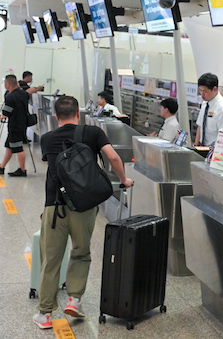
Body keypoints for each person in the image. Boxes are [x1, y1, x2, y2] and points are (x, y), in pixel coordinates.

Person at [34, 95, 134, 329]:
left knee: (51, 259)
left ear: (56, 116)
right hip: (85, 206)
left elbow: (52, 169)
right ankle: (74, 300)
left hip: (55, 206)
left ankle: (45, 314)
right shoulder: (92, 133)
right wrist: (123, 180)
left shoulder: (47, 139)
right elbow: (113, 157)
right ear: (78, 115)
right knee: (81, 252)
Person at [0, 74, 29, 177]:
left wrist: (1, 116)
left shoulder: (10, 96)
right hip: (22, 124)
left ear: (7, 84)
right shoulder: (24, 94)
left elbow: (5, 114)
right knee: (9, 146)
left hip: (14, 126)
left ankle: (22, 170)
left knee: (18, 148)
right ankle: (2, 167)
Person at [194, 73, 223, 146]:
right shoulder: (205, 103)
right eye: (200, 90)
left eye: (205, 91)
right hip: (202, 149)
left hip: (215, 152)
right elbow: (200, 126)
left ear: (214, 89)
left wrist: (215, 155)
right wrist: (195, 146)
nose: (202, 94)